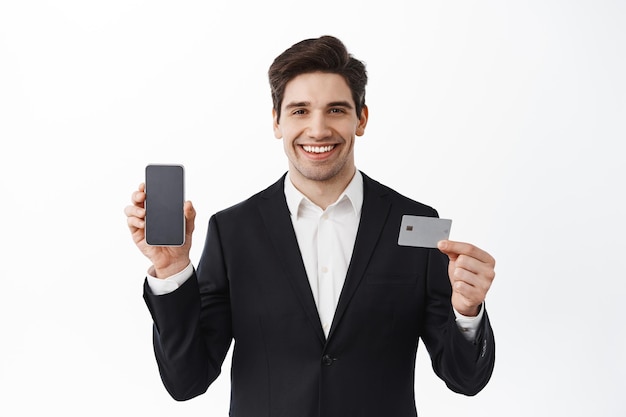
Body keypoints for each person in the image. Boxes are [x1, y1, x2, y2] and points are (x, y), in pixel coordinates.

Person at [125, 35, 496, 417]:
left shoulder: (418, 223)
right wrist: (171, 272)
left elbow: (464, 379)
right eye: (300, 111)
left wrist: (468, 312)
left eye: (336, 110)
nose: (318, 130)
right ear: (276, 122)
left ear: (361, 119)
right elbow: (187, 381)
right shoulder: (233, 231)